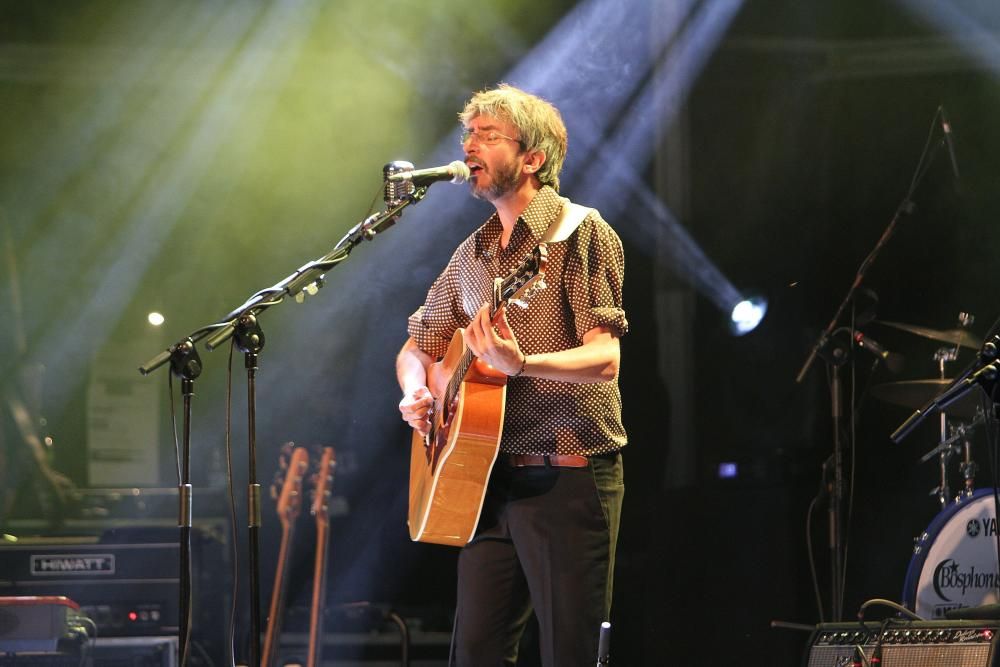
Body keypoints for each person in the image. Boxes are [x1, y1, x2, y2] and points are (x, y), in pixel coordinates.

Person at [396, 83, 627, 666]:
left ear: (532, 158)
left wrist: (521, 363)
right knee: (474, 653)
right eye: (467, 134)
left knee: (569, 653)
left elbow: (605, 358)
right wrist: (417, 390)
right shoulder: (471, 254)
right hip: (486, 480)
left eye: (487, 136)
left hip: (566, 477)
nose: (469, 146)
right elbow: (416, 347)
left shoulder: (579, 233)